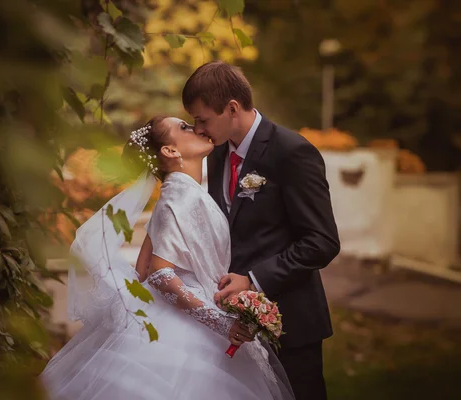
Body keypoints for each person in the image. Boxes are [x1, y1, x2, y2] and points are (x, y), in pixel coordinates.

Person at [40, 116, 294, 400]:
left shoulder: (177, 193)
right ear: (170, 152)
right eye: (184, 127)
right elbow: (160, 274)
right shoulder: (180, 197)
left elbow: (143, 267)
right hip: (189, 330)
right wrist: (222, 322)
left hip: (182, 310)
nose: (196, 129)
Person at [182, 61, 341, 400]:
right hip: (239, 326)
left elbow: (322, 242)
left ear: (232, 108)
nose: (198, 130)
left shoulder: (292, 151)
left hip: (291, 324)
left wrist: (253, 279)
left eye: (202, 119)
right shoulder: (218, 152)